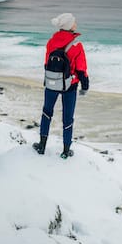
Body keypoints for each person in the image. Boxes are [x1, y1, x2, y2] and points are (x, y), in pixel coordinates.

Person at [33, 12, 89, 159]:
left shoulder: (51, 41)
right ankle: (65, 151)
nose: (76, 23)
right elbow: (81, 69)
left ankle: (42, 146)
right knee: (68, 118)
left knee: (46, 113)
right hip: (69, 85)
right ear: (70, 26)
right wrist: (85, 86)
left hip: (51, 83)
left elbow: (46, 63)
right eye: (74, 21)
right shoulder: (76, 44)